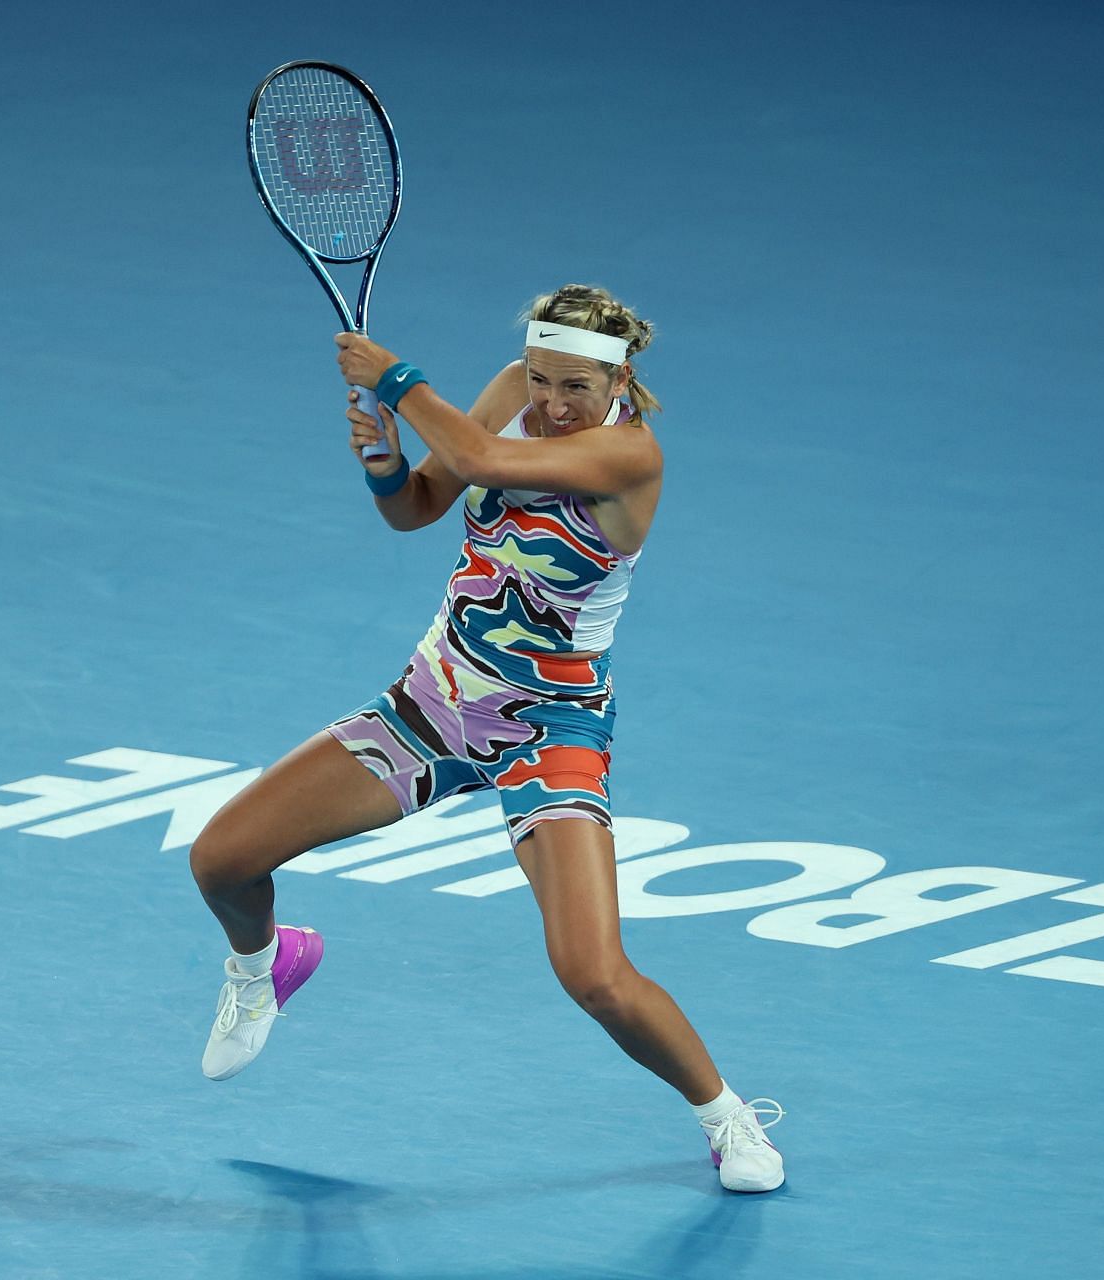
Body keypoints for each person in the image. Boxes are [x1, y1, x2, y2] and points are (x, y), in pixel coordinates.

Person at [188, 283, 785, 1194]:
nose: (550, 403)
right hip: (433, 703)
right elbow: (421, 504)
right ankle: (265, 965)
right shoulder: (513, 388)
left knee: (593, 974)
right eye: (540, 378)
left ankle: (726, 1115)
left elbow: (473, 453)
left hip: (551, 729)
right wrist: (387, 462)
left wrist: (396, 380)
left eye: (574, 386)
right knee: (221, 860)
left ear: (619, 376)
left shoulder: (630, 454)